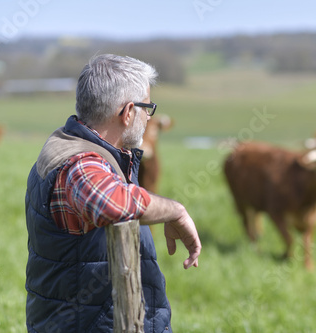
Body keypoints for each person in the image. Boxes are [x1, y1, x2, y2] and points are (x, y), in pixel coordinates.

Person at [25, 54, 201, 332]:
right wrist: (175, 210)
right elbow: (110, 202)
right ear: (128, 111)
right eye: (148, 107)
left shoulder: (84, 148)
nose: (148, 117)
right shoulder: (80, 162)